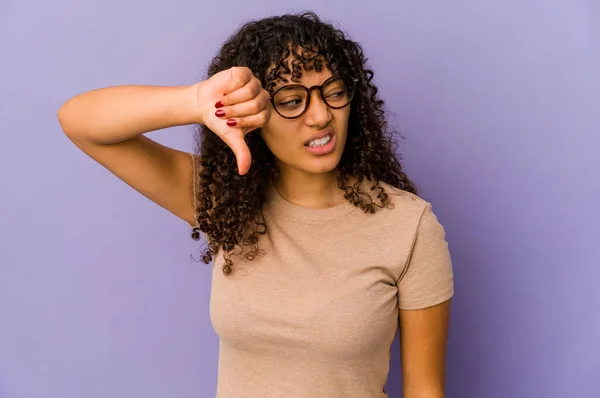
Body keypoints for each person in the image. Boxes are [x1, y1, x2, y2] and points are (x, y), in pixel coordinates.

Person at [57, 11, 454, 398]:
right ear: (253, 114)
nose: (320, 116)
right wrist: (196, 101)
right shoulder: (227, 202)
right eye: (291, 100)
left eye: (334, 93)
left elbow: (424, 389)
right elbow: (80, 121)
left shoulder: (409, 225)